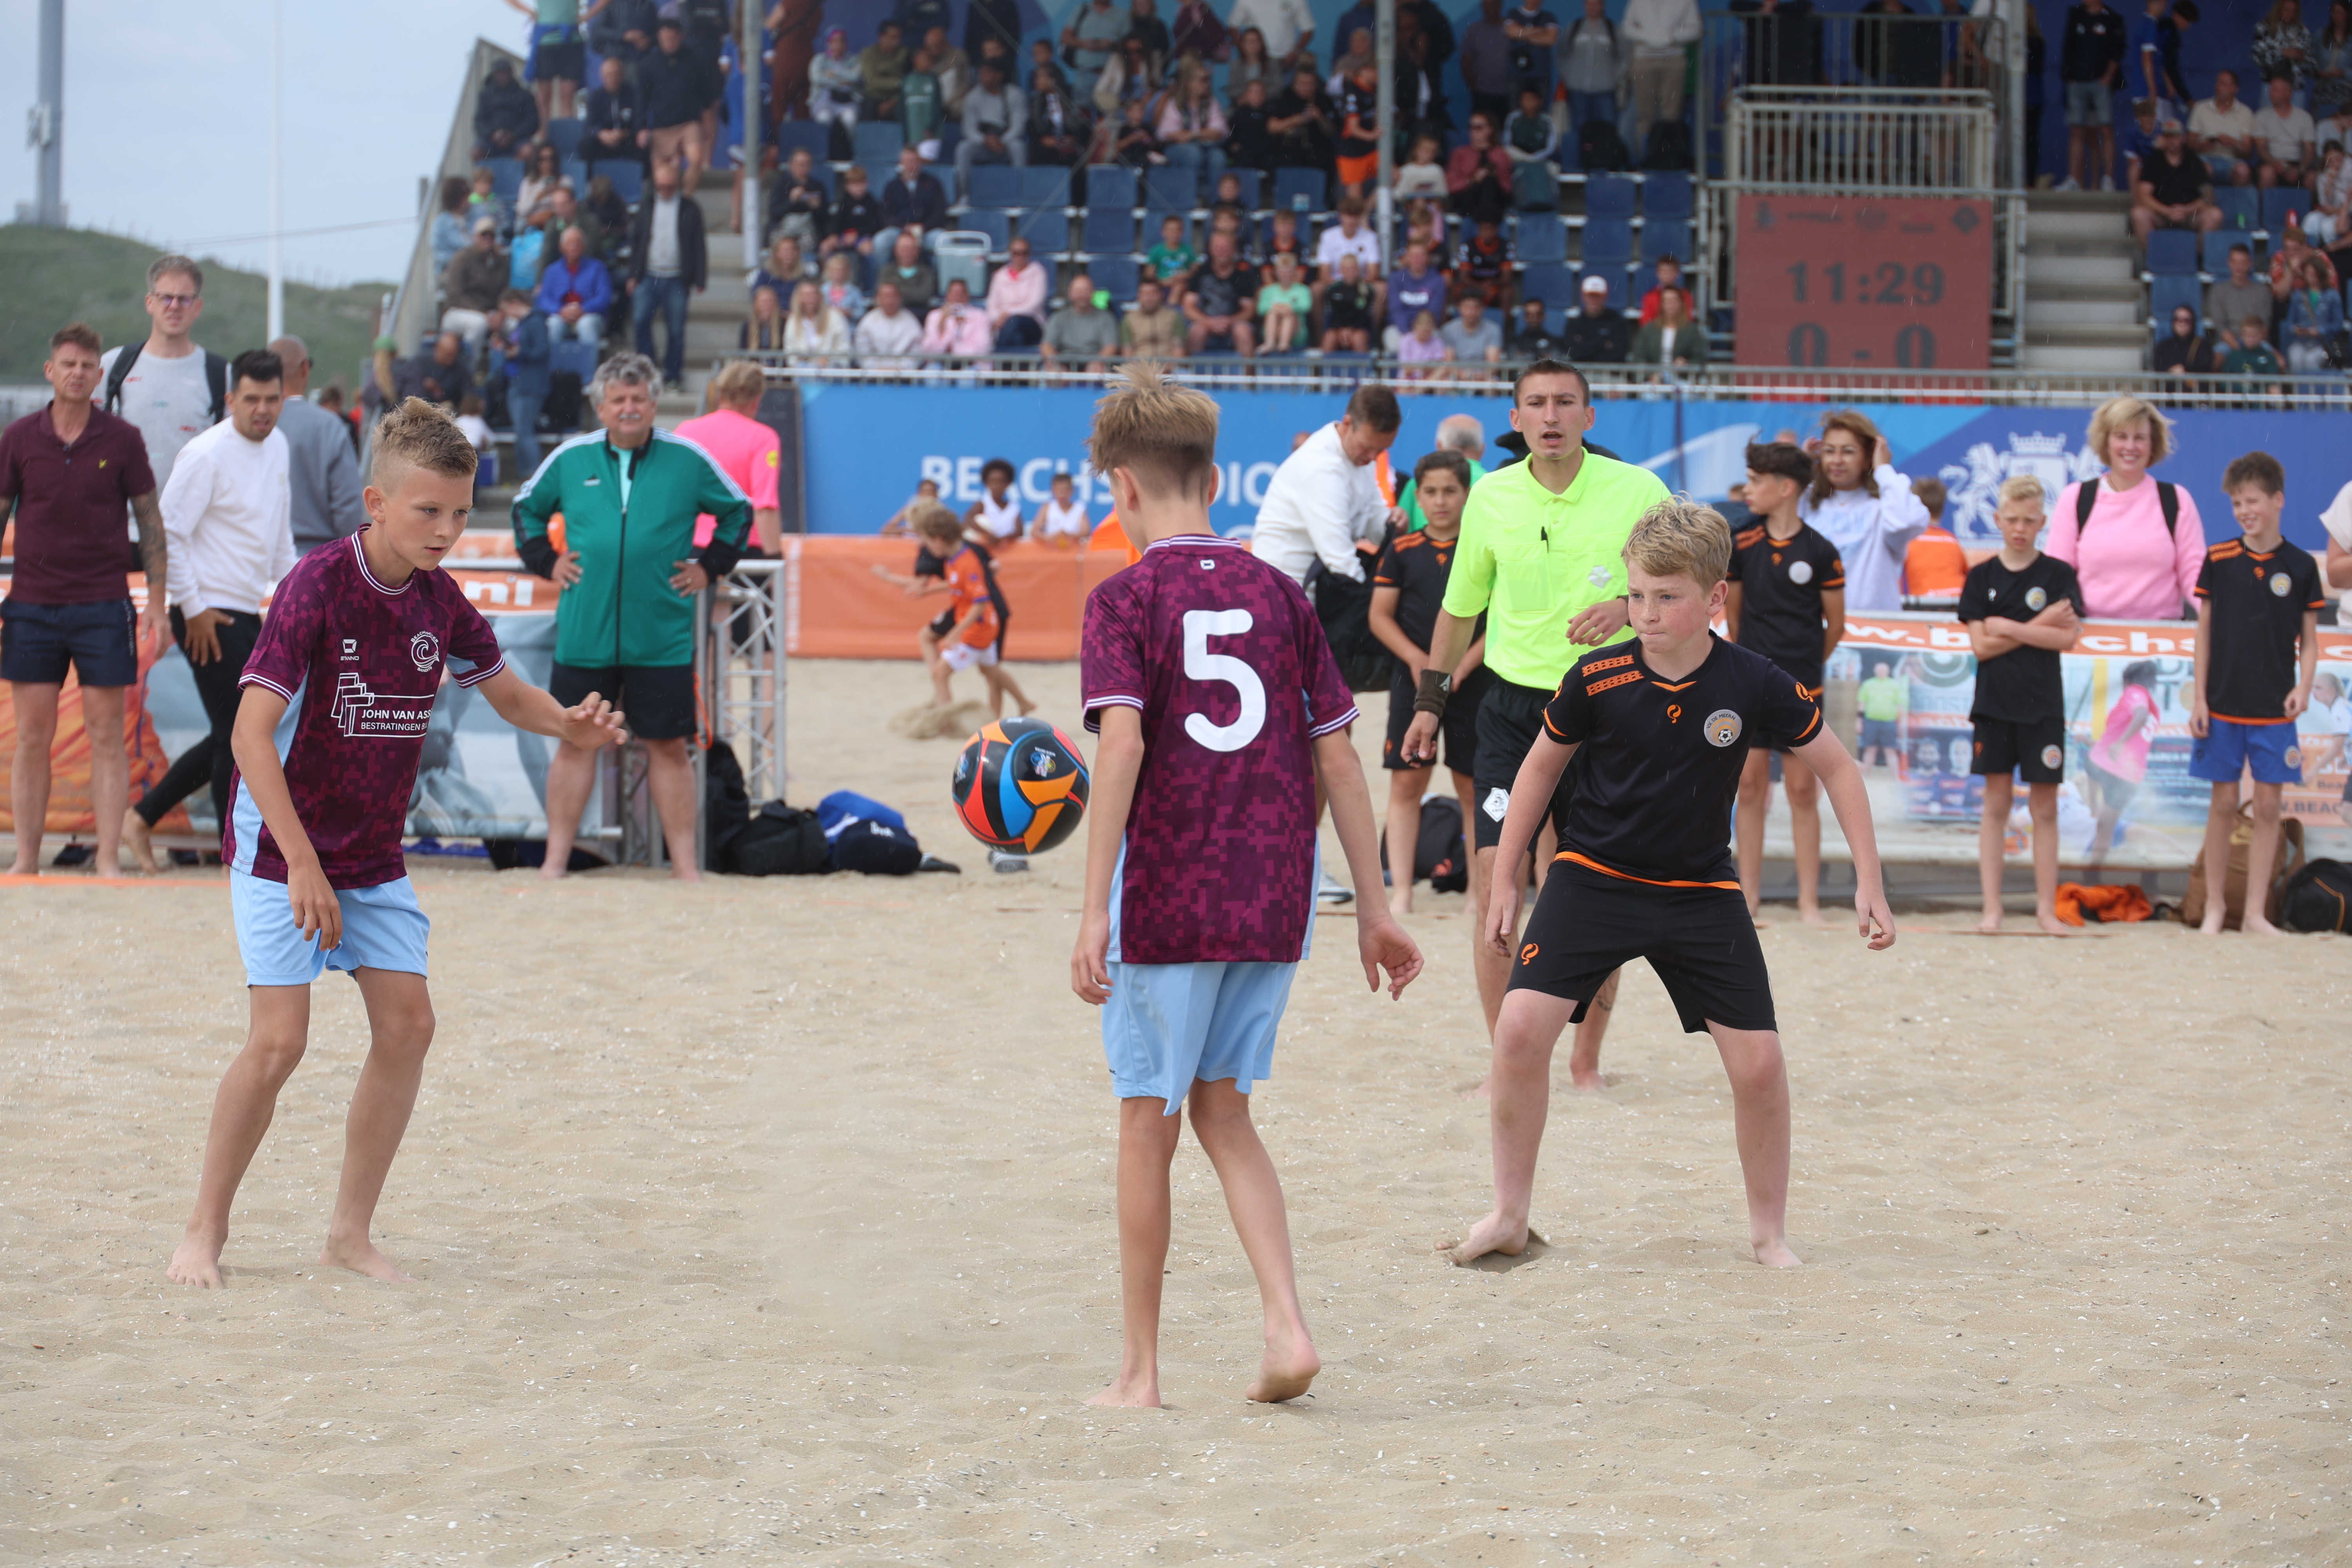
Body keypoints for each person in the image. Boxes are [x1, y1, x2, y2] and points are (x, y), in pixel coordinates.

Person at [162, 399, 627, 1290]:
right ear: (375, 501)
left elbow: (512, 697)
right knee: (278, 1044)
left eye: (460, 513)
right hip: (281, 846)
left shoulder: (440, 599)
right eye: (429, 511)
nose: (448, 530)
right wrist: (300, 862)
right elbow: (250, 739)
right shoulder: (316, 585)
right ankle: (204, 1229)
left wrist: (573, 726)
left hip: (370, 853)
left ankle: (348, 1233)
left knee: (410, 1025)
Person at [1070, 365, 1419, 1410]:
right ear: (1215, 477)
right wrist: (1380, 908)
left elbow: (1122, 744)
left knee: (1147, 1119)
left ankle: (1139, 1374)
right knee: (1226, 1110)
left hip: (1170, 894)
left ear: (1122, 489)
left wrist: (1093, 906)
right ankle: (1286, 1323)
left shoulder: (1124, 598)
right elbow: (1343, 761)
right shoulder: (1277, 595)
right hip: (1275, 896)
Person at [1441, 496, 1894, 1269]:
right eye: (1637, 594)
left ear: (1715, 598)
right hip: (1594, 876)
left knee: (1759, 1066)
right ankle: (1510, 1213)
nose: (1645, 613)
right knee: (1519, 1032)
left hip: (1699, 889)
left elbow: (1839, 767)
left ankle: (1768, 1235)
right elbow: (1540, 769)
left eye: (1666, 597)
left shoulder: (1754, 681)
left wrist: (1870, 883)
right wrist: (1510, 874)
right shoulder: (1598, 674)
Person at [1400, 360, 1669, 1081]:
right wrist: (1430, 703)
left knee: (1594, 888)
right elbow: (1461, 609)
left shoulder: (1639, 491)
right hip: (1512, 713)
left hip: (1612, 704)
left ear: (1590, 415)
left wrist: (1630, 605)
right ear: (1515, 419)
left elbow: (1692, 581)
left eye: (1565, 403)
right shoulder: (1489, 497)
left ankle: (1584, 1061)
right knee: (1496, 882)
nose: (1551, 415)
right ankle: (1508, 1066)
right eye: (1536, 404)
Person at [512, 354, 751, 881]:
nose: (629, 409)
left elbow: (739, 511)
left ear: (654, 404)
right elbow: (524, 508)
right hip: (584, 633)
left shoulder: (687, 459)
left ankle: (685, 869)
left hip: (660, 636)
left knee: (668, 747)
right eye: (618, 400)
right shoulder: (572, 458)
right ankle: (555, 863)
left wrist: (709, 567)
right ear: (601, 407)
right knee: (575, 743)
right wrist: (547, 561)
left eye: (638, 399)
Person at [1, 323, 163, 877]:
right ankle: (26, 860)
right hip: (32, 604)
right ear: (51, 371)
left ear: (99, 375)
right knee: (32, 737)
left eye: (86, 365)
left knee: (106, 736)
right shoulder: (20, 437)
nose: (77, 372)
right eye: (67, 363)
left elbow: (150, 520)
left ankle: (106, 861)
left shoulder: (122, 438)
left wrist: (158, 605)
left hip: (102, 604)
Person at [125, 350, 292, 860]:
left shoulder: (279, 444)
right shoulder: (205, 453)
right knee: (239, 734)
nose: (262, 410)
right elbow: (166, 533)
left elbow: (280, 535)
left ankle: (143, 819)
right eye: (251, 400)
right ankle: (233, 858)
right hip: (205, 610)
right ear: (230, 400)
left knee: (236, 733)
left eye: (271, 400)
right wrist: (192, 608)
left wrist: (298, 603)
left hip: (248, 611)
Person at [2190, 450, 2324, 935]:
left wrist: (2304, 687)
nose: (2245, 510)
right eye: (2236, 504)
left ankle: (2253, 915)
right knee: (2223, 805)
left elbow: (2310, 641)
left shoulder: (2302, 565)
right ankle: (2215, 909)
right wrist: (2201, 697)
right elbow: (2203, 634)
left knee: (2269, 807)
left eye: (2252, 501)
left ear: (2277, 500)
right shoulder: (2219, 559)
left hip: (2274, 707)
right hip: (2222, 704)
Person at [1958, 475, 2086, 935]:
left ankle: (2045, 910)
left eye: (2029, 520)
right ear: (1997, 518)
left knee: (2045, 808)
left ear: (2043, 522)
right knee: (1995, 804)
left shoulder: (2057, 574)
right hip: (1994, 706)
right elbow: (1980, 647)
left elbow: (2068, 638)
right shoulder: (1982, 576)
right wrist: (2040, 622)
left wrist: (2006, 626)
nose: (2019, 527)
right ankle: (1992, 908)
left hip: (2044, 706)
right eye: (2011, 519)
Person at [1726, 441, 1845, 925]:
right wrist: (1753, 671)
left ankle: (1809, 902)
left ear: (1786, 488)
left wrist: (1803, 671)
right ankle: (1749, 898)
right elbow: (1732, 616)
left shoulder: (1821, 550)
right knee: (1750, 789)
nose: (1749, 489)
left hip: (1803, 689)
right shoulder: (1741, 541)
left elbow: (1834, 626)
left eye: (1756, 481)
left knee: (1802, 792)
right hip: (1751, 687)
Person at [1370, 451, 1492, 916]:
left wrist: (1460, 667)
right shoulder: (1401, 550)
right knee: (1406, 787)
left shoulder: (1481, 547)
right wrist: (1421, 661)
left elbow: (1494, 618)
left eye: (1451, 491)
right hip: (1412, 685)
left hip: (1473, 685)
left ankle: (1478, 895)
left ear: (1467, 494)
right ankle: (1401, 891)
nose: (1440, 501)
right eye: (1431, 492)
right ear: (1416, 496)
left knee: (1472, 787)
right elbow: (1380, 617)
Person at [2047, 396, 2205, 619]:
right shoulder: (2075, 498)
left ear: (2152, 445)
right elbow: (2056, 574)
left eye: (2140, 438)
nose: (2131, 447)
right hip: (2089, 633)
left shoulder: (2177, 500)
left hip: (2164, 637)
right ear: (2106, 442)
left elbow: (2194, 574)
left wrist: (2215, 617)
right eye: (2121, 436)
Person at [1250, 382, 1400, 590]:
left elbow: (1374, 520)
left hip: (1314, 586)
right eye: (1367, 447)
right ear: (1347, 424)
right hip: (1285, 592)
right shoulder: (1321, 468)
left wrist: (1394, 522)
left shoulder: (1359, 457)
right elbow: (1340, 560)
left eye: (1381, 450)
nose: (1373, 457)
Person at [100, 255, 228, 496]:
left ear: (198, 307)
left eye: (185, 299)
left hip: (192, 528)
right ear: (149, 302)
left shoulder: (221, 374)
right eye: (165, 297)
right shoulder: (112, 366)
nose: (175, 306)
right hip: (121, 527)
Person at [1797, 410, 1930, 613]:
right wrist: (1799, 468)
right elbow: (1772, 516)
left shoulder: (1884, 508)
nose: (1837, 460)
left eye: (1848, 451)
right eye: (1829, 451)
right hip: (1815, 628)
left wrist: (1883, 468)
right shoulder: (1807, 502)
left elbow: (1908, 521)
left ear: (1869, 458)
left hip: (1873, 631)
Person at [266, 336, 365, 560]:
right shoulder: (328, 426)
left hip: (257, 562)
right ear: (304, 368)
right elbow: (347, 508)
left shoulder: (247, 426)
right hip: (317, 562)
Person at [675, 361, 785, 559]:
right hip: (742, 549)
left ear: (720, 395)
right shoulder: (764, 438)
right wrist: (775, 560)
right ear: (757, 399)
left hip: (690, 547)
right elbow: (765, 506)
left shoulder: (685, 431)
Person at [627, 159, 708, 390]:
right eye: (661, 186)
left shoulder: (690, 208)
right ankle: (648, 371)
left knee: (676, 329)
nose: (664, 191)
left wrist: (700, 278)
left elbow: (698, 245)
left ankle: (673, 375)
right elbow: (637, 242)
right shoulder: (647, 206)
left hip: (677, 278)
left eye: (669, 187)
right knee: (641, 321)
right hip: (649, 275)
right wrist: (634, 274)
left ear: (678, 185)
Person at [2083, 658, 2160, 864]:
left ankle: (2092, 806)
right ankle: (2093, 872)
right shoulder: (2155, 709)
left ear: (2129, 681)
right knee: (2106, 828)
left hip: (2110, 766)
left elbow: (2140, 715)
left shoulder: (2135, 692)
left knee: (2092, 762)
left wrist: (2119, 743)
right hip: (2130, 775)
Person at [2060, 0, 2127, 190]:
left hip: (2100, 83)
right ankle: (2074, 179)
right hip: (2077, 82)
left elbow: (2118, 51)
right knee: (2076, 130)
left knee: (2105, 129)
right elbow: (2068, 45)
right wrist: (2068, 76)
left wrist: (2107, 77)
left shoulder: (2113, 19)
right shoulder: (2076, 15)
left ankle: (2108, 180)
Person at [641, 17, 710, 183]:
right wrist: (642, 127)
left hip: (689, 122)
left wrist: (705, 124)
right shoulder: (649, 64)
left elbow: (705, 95)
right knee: (662, 175)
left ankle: (687, 198)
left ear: (681, 36)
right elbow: (642, 99)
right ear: (659, 37)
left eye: (673, 38)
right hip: (662, 125)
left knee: (696, 159)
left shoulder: (694, 61)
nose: (670, 43)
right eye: (666, 39)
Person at [1622, 0, 1702, 145]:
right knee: (1645, 115)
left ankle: (1668, 158)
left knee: (1671, 115)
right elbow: (1627, 28)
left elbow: (1696, 29)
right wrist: (1648, 37)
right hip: (1644, 59)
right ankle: (1645, 158)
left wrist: (1671, 37)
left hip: (1674, 59)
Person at [492, 289, 552, 481]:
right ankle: (525, 474)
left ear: (515, 303)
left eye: (507, 310)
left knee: (525, 432)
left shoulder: (536, 322)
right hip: (516, 383)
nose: (508, 316)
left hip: (530, 385)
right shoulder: (523, 324)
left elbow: (542, 352)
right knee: (520, 432)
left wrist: (520, 352)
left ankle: (534, 476)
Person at [2131, 114, 2221, 239]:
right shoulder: (2153, 160)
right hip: (2161, 214)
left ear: (2183, 138)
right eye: (2168, 137)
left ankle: (2200, 257)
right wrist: (2167, 211)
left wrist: (2187, 210)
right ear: (2162, 138)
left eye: (2176, 136)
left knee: (2215, 214)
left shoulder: (2194, 161)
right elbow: (2144, 195)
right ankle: (2152, 257)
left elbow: (2208, 197)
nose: (2172, 141)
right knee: (2139, 214)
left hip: (2190, 215)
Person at [536, 224, 613, 354]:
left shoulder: (598, 268)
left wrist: (584, 309)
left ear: (584, 246)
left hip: (590, 315)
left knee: (586, 325)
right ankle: (554, 370)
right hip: (561, 315)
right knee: (553, 325)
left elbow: (605, 296)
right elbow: (543, 299)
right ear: (562, 247)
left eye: (578, 242)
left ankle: (588, 371)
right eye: (570, 242)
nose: (574, 246)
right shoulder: (552, 271)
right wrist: (560, 310)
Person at [440, 218, 510, 357]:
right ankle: (469, 369)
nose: (487, 239)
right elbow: (456, 295)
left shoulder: (501, 262)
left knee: (513, 325)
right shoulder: (461, 259)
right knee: (478, 324)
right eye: (483, 235)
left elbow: (505, 293)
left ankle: (507, 371)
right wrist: (485, 314)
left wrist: (502, 313)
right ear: (475, 237)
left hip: (490, 314)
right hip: (457, 311)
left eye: (491, 236)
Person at [1182, 232, 1259, 356]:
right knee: (1197, 331)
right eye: (1218, 247)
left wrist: (1230, 321)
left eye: (1226, 247)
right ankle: (1193, 374)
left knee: (1243, 331)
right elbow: (1189, 306)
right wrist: (1208, 322)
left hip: (1234, 323)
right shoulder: (1200, 273)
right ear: (1210, 250)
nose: (1222, 251)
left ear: (1234, 250)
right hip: (1205, 321)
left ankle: (1248, 375)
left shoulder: (1243, 277)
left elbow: (1249, 310)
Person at [1561, 0, 1630, 134]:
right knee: (1579, 130)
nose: (1592, 7)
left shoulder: (1613, 29)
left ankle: (1606, 155)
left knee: (1608, 129)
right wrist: (1568, 76)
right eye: (1589, 4)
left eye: (1596, 4)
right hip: (1577, 91)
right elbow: (1562, 55)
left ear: (1602, 6)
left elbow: (1624, 57)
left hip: (1606, 92)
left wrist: (1615, 77)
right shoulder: (1574, 28)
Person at [958, 55, 1030, 183]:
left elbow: (1018, 127)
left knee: (1018, 147)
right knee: (964, 148)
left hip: (1006, 143)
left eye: (988, 72)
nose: (983, 76)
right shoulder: (973, 96)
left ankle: (1020, 193)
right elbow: (969, 129)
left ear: (999, 75)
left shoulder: (1015, 94)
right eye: (981, 72)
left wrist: (1001, 141)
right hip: (984, 143)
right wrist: (985, 140)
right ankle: (964, 195)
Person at [2190, 67, 2258, 184]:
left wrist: (2234, 144)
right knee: (2203, 168)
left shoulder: (2246, 113)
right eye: (2218, 83)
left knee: (2243, 171)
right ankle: (2203, 202)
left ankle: (2240, 203)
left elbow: (2248, 152)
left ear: (2234, 89)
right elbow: (2190, 143)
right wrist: (2202, 146)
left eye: (2223, 84)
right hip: (2205, 158)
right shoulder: (2201, 108)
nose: (2218, 87)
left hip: (2231, 161)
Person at [1042, 271, 1122, 371]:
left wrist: (1099, 362)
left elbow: (1111, 347)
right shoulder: (1058, 317)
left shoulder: (1106, 318)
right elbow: (1047, 345)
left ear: (1093, 293)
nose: (1082, 295)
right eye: (1078, 291)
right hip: (1064, 363)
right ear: (1070, 294)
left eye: (1086, 291)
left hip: (1095, 362)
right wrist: (1054, 361)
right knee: (1052, 372)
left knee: (1097, 371)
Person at [2252, 69, 2318, 188]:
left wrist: (2301, 170)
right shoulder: (2262, 116)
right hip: (2272, 162)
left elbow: (2310, 150)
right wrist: (2275, 164)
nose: (2271, 93)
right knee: (2267, 174)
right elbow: (2261, 148)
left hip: (2297, 163)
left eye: (2276, 90)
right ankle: (2266, 207)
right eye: (2272, 89)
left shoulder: (2304, 117)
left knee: (2312, 178)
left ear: (2288, 93)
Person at [581, 54, 646, 170]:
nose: (613, 79)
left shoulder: (633, 94)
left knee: (643, 145)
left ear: (623, 75)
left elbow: (640, 125)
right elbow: (589, 127)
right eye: (609, 75)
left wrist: (623, 134)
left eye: (616, 74)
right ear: (602, 77)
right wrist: (602, 135)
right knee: (585, 146)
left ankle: (643, 183)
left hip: (626, 139)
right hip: (605, 141)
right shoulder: (596, 96)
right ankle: (590, 183)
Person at [986, 236, 1051, 353]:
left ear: (1029, 254)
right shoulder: (999, 276)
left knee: (1014, 321)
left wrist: (1008, 314)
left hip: (1032, 320)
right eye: (1016, 253)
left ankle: (997, 359)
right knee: (1017, 338)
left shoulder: (1038, 273)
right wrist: (997, 318)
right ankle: (1011, 368)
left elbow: (1035, 303)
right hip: (1005, 324)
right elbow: (992, 305)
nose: (1020, 257)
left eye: (1024, 253)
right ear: (1010, 254)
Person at [2284, 254, 2345, 368]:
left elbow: (2338, 323)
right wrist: (2296, 329)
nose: (2311, 277)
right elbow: (2289, 322)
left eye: (2314, 273)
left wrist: (2321, 330)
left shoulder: (2332, 295)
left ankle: (2315, 387)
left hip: (2324, 343)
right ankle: (2298, 387)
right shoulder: (2297, 295)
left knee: (2311, 360)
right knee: (2295, 357)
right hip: (2302, 341)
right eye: (2308, 273)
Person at [1630, 286, 1707, 375]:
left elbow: (1699, 358)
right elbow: (1639, 357)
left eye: (1674, 301)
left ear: (1682, 304)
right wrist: (1651, 376)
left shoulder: (1692, 331)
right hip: (1653, 382)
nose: (1670, 305)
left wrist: (1686, 364)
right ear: (1661, 305)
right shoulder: (1649, 330)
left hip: (1681, 380)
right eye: (1666, 301)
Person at [473, 58, 541, 158]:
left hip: (518, 139)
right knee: (476, 152)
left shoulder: (525, 96)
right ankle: (484, 174)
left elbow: (532, 122)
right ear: (494, 75)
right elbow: (479, 121)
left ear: (511, 73)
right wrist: (492, 135)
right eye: (499, 73)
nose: (503, 76)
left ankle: (519, 173)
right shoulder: (485, 95)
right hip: (491, 140)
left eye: (505, 72)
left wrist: (514, 135)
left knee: (529, 152)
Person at [2208, 243, 2272, 341]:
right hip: (2229, 342)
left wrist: (2249, 347)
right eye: (2235, 262)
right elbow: (2220, 326)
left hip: (2255, 341)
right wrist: (2239, 351)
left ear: (2250, 263)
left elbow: (2263, 326)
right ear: (2229, 263)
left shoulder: (2263, 292)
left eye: (2243, 263)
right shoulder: (2218, 290)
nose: (2239, 267)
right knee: (2218, 356)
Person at [855, 279, 925, 369]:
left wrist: (900, 368)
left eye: (893, 296)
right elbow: (862, 351)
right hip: (874, 376)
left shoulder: (911, 321)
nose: (890, 301)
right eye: (886, 297)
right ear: (878, 299)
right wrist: (878, 369)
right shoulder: (868, 321)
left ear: (899, 298)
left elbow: (917, 351)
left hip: (904, 376)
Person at [921, 277, 994, 363]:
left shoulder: (981, 316)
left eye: (962, 292)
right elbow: (928, 348)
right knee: (932, 371)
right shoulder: (935, 316)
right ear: (947, 295)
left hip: (972, 363)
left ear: (968, 295)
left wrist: (954, 351)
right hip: (940, 362)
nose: (958, 295)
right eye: (953, 292)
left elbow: (983, 347)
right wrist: (942, 323)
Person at [782, 279, 853, 365]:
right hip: (803, 370)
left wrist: (828, 361)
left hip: (831, 370)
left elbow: (844, 348)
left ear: (820, 297)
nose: (810, 299)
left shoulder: (835, 317)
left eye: (814, 295)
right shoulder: (793, 320)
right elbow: (790, 350)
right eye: (806, 296)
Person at [1565, 272, 1632, 361]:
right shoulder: (1575, 323)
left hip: (1610, 374)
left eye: (1598, 296)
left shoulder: (1616, 321)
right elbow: (1574, 353)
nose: (1593, 300)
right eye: (1590, 296)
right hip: (1581, 373)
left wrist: (1587, 346)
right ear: (1583, 297)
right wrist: (1603, 344)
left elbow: (1619, 353)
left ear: (1606, 297)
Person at [1855, 658, 1907, 769]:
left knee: (1890, 751)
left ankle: (1896, 779)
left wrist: (1902, 723)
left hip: (1889, 723)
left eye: (1884, 670)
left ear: (1888, 671)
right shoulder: (1868, 685)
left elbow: (1900, 706)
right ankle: (1865, 778)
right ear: (1875, 670)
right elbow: (1862, 704)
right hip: (1871, 722)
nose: (1881, 672)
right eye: (1879, 670)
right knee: (1870, 750)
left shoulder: (1895, 685)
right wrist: (1859, 721)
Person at [1256, 252, 1313, 353]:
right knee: (1272, 314)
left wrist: (1291, 308)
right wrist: (1276, 308)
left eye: (1288, 272)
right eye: (1282, 271)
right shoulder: (1267, 290)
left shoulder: (1303, 290)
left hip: (1297, 332)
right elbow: (1261, 309)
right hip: (1273, 328)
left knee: (1289, 315)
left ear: (1295, 272)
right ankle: (1270, 343)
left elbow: (1306, 306)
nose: (1285, 275)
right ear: (1276, 272)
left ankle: (1284, 344)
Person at [1121, 276, 1187, 358]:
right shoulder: (1129, 319)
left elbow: (1179, 349)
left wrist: (1170, 368)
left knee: (1182, 371)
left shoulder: (1174, 316)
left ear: (1161, 295)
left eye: (1153, 293)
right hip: (1139, 367)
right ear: (1139, 295)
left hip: (1169, 366)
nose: (1149, 298)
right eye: (1145, 293)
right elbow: (1127, 351)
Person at [2154, 302, 2219, 379]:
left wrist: (2185, 370)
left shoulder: (2204, 345)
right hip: (2169, 389)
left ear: (2193, 323)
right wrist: (2172, 371)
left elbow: (2205, 366)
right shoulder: (2163, 346)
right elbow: (2158, 366)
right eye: (2178, 319)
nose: (2182, 324)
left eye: (2187, 320)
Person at [1034, 470, 1090, 545]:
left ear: (1072, 490)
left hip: (1073, 551)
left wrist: (1068, 535)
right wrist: (1047, 537)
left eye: (1065, 490)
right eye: (1059, 490)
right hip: (1051, 551)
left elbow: (1086, 531)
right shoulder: (1047, 507)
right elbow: (1035, 531)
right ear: (1053, 491)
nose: (1062, 494)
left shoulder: (1079, 508)